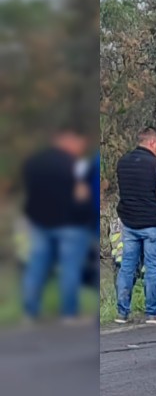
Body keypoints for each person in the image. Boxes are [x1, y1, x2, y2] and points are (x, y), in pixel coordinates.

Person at [22, 124, 93, 323]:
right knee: (69, 268)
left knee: (36, 267)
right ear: (68, 139)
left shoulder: (33, 162)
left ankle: (30, 313)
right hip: (71, 224)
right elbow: (82, 195)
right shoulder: (75, 165)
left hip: (39, 223)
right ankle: (68, 314)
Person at [114, 126, 156, 324]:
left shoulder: (123, 162)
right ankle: (152, 312)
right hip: (154, 225)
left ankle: (122, 312)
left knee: (127, 267)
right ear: (152, 142)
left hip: (129, 224)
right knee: (153, 269)